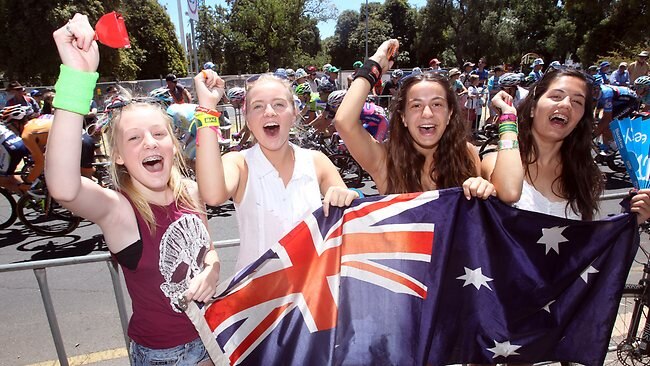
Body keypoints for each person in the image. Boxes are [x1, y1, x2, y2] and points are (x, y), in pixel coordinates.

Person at [46, 15, 219, 365]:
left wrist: (213, 268)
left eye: (158, 134)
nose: (149, 143)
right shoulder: (120, 211)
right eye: (134, 138)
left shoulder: (190, 190)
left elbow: (207, 249)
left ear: (173, 144)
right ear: (120, 157)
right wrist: (78, 78)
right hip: (164, 356)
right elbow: (64, 187)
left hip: (212, 339)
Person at [193, 71, 359, 271]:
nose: (269, 112)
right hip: (258, 296)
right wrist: (207, 107)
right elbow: (212, 195)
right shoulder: (238, 164)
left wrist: (348, 196)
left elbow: (351, 218)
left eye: (279, 104)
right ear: (247, 119)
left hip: (311, 293)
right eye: (258, 106)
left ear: (294, 111)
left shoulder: (317, 162)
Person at [484, 68, 650, 224]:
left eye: (577, 101)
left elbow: (585, 245)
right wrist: (508, 119)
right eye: (556, 96)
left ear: (580, 120)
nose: (566, 104)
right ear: (533, 108)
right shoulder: (495, 161)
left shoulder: (584, 175)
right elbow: (509, 192)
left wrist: (631, 220)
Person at [334, 39, 494, 198]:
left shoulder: (466, 154)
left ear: (450, 113)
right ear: (403, 117)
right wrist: (375, 65)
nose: (427, 113)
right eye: (416, 106)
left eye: (437, 104)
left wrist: (482, 188)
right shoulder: (386, 160)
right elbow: (344, 121)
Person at [592, 74, 639, 148]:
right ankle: (606, 146)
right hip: (616, 101)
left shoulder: (606, 94)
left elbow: (607, 119)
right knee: (600, 122)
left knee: (608, 124)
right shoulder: (596, 92)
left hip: (630, 102)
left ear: (597, 88)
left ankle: (614, 147)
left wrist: (593, 135)